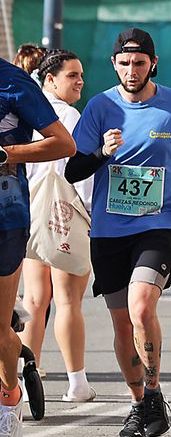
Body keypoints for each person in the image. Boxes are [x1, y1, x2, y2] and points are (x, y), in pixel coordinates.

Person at [64, 29, 171, 437]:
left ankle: (153, 392)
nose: (132, 70)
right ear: (115, 65)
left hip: (161, 223)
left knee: (141, 304)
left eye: (140, 62)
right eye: (125, 63)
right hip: (110, 229)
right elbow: (73, 170)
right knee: (120, 322)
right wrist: (101, 154)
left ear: (152, 64)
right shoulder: (100, 107)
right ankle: (140, 404)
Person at [0, 57, 77, 437]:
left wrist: (6, 154)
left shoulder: (12, 82)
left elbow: (64, 143)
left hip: (4, 217)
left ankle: (9, 395)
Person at [19, 48, 96, 403]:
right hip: (65, 213)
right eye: (72, 75)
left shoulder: (26, 112)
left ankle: (22, 376)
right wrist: (92, 215)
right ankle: (76, 382)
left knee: (34, 300)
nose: (79, 81)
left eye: (81, 75)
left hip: (32, 213)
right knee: (67, 301)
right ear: (50, 79)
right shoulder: (68, 116)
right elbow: (79, 174)